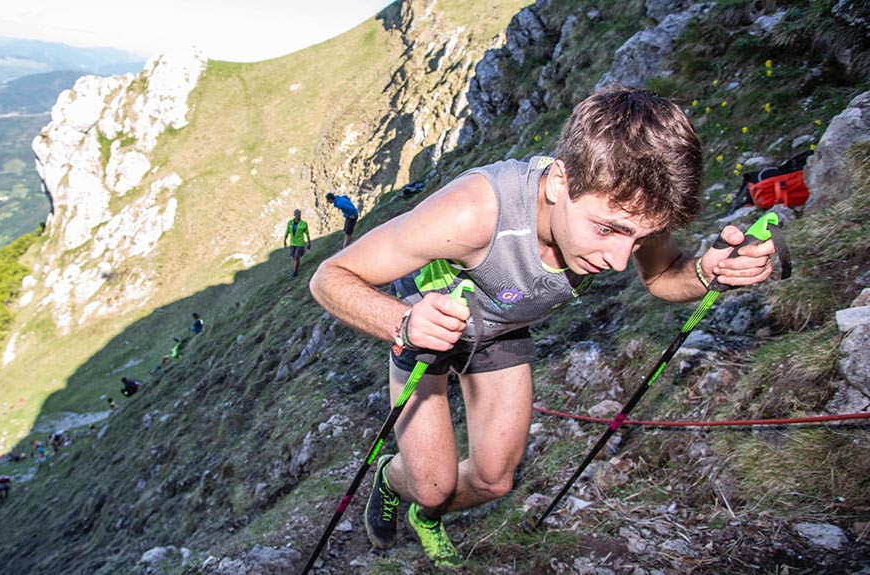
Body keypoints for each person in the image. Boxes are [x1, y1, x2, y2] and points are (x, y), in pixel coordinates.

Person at [309, 86, 777, 568]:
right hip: (429, 323)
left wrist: (708, 273)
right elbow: (330, 278)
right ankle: (394, 479)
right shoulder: (474, 213)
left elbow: (660, 276)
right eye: (607, 230)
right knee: (432, 482)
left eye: (640, 237)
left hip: (502, 329)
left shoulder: (629, 205)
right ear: (559, 182)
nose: (618, 261)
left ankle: (427, 516)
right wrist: (403, 321)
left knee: (495, 481)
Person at [283, 208, 312, 278]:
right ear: (294, 215)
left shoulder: (304, 224)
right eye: (296, 214)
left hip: (300, 243)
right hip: (292, 243)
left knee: (296, 257)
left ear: (300, 215)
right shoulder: (290, 223)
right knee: (294, 258)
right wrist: (284, 240)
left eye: (299, 214)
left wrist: (309, 243)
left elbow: (307, 233)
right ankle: (295, 269)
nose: (298, 215)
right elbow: (287, 232)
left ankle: (295, 272)